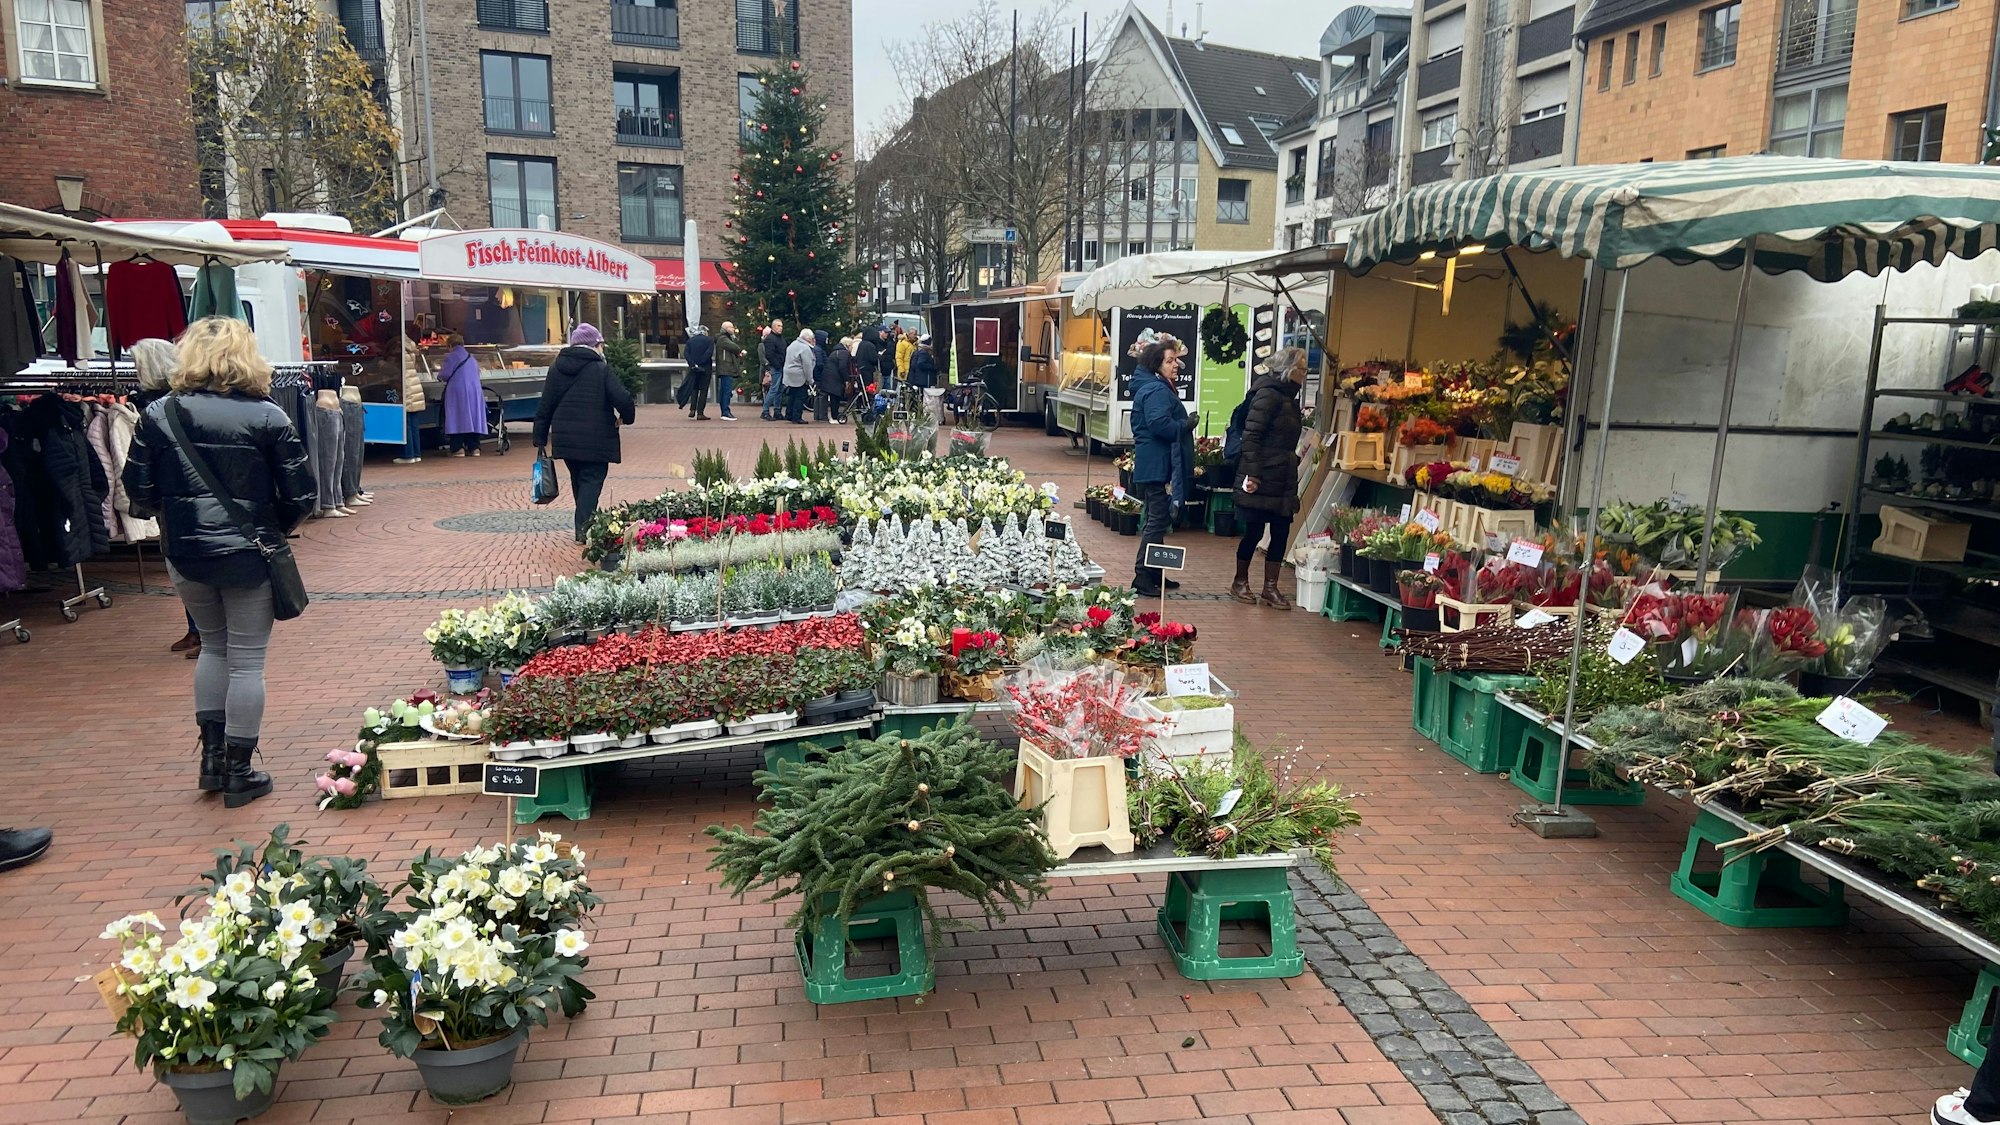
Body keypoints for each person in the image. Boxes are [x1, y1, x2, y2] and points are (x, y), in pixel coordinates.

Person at [123, 316, 317, 808]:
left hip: (185, 551)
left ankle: (211, 761)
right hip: (248, 552)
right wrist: (268, 523)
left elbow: (137, 491)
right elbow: (302, 494)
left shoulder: (158, 413)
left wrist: (175, 513)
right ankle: (239, 770)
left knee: (213, 648)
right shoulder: (268, 416)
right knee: (247, 660)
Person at [131, 337, 204, 660]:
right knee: (186, 565)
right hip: (182, 498)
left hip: (180, 499)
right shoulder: (173, 402)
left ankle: (203, 630)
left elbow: (140, 473)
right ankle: (197, 628)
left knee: (189, 565)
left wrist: (150, 500)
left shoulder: (161, 407)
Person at [533, 323, 636, 544]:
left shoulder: (556, 367)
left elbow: (546, 405)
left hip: (566, 438)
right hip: (596, 437)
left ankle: (584, 523)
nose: (603, 349)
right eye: (601, 345)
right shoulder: (600, 369)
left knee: (579, 479)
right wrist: (626, 418)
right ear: (594, 345)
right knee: (591, 480)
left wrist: (540, 438)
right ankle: (584, 528)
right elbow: (623, 398)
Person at [1231, 346, 1307, 608]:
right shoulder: (1268, 395)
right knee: (1253, 531)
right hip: (1262, 475)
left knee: (1281, 530)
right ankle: (1240, 582)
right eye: (1302, 369)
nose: (1305, 374)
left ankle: (1270, 587)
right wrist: (1253, 473)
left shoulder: (1288, 398)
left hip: (1283, 475)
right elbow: (1251, 436)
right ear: (1289, 370)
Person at [1129, 339, 1197, 597]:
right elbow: (1159, 425)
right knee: (1157, 521)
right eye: (1169, 360)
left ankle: (1155, 571)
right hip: (1157, 464)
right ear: (1156, 365)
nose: (1176, 365)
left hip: (1155, 463)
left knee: (1160, 519)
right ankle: (1142, 577)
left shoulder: (1156, 386)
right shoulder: (1156, 390)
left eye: (1176, 360)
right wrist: (1185, 426)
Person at [438, 332, 485, 456]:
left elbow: (444, 374)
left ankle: (457, 448)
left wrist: (439, 375)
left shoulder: (451, 356)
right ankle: (474, 448)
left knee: (456, 417)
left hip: (458, 392)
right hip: (475, 391)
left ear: (450, 345)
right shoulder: (471, 357)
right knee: (473, 417)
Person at [682, 323, 715, 421]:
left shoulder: (690, 341)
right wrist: (701, 363)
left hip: (693, 369)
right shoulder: (709, 341)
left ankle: (692, 408)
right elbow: (709, 353)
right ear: (705, 332)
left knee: (694, 389)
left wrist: (693, 364)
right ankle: (700, 413)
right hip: (705, 368)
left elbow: (686, 353)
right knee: (703, 390)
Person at [783, 326, 815, 424]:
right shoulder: (805, 348)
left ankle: (789, 414)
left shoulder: (793, 344)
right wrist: (810, 380)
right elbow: (807, 366)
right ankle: (797, 417)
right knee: (800, 396)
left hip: (789, 373)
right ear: (808, 338)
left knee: (792, 395)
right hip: (799, 375)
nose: (813, 340)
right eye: (812, 338)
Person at [713, 321, 745, 421]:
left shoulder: (723, 338)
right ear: (726, 329)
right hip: (726, 368)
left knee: (725, 390)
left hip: (725, 368)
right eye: (731, 327)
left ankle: (725, 411)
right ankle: (725, 412)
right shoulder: (723, 339)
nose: (733, 329)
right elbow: (735, 347)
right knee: (726, 391)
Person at [820, 335, 853, 423]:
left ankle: (834, 415)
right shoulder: (843, 353)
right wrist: (846, 380)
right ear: (848, 345)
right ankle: (834, 417)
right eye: (851, 346)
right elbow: (842, 367)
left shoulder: (836, 352)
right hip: (834, 379)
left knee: (834, 397)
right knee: (835, 397)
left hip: (830, 377)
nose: (852, 348)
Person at [760, 318, 787, 420]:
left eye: (781, 326)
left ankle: (777, 411)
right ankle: (765, 411)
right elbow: (769, 354)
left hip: (781, 366)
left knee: (779, 389)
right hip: (776, 367)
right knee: (774, 389)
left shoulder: (780, 338)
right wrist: (777, 365)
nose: (780, 328)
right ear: (773, 327)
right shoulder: (771, 339)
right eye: (778, 326)